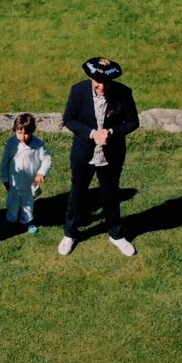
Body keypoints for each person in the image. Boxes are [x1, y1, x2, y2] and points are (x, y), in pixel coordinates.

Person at [58, 57, 139, 256]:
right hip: (83, 152)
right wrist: (93, 133)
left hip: (112, 154)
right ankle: (70, 233)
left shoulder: (123, 93)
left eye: (105, 82)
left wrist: (110, 133)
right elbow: (69, 119)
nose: (101, 86)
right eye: (97, 81)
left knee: (110, 194)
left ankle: (116, 234)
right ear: (90, 78)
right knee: (77, 193)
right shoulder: (77, 91)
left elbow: (133, 122)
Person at [0, 113, 52, 234]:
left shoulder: (38, 145)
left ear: (32, 131)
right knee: (13, 201)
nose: (23, 136)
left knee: (27, 201)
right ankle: (11, 220)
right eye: (20, 133)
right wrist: (5, 178)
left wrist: (41, 173)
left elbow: (47, 159)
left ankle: (27, 221)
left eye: (26, 133)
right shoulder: (11, 143)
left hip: (30, 181)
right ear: (15, 131)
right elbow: (4, 162)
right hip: (14, 181)